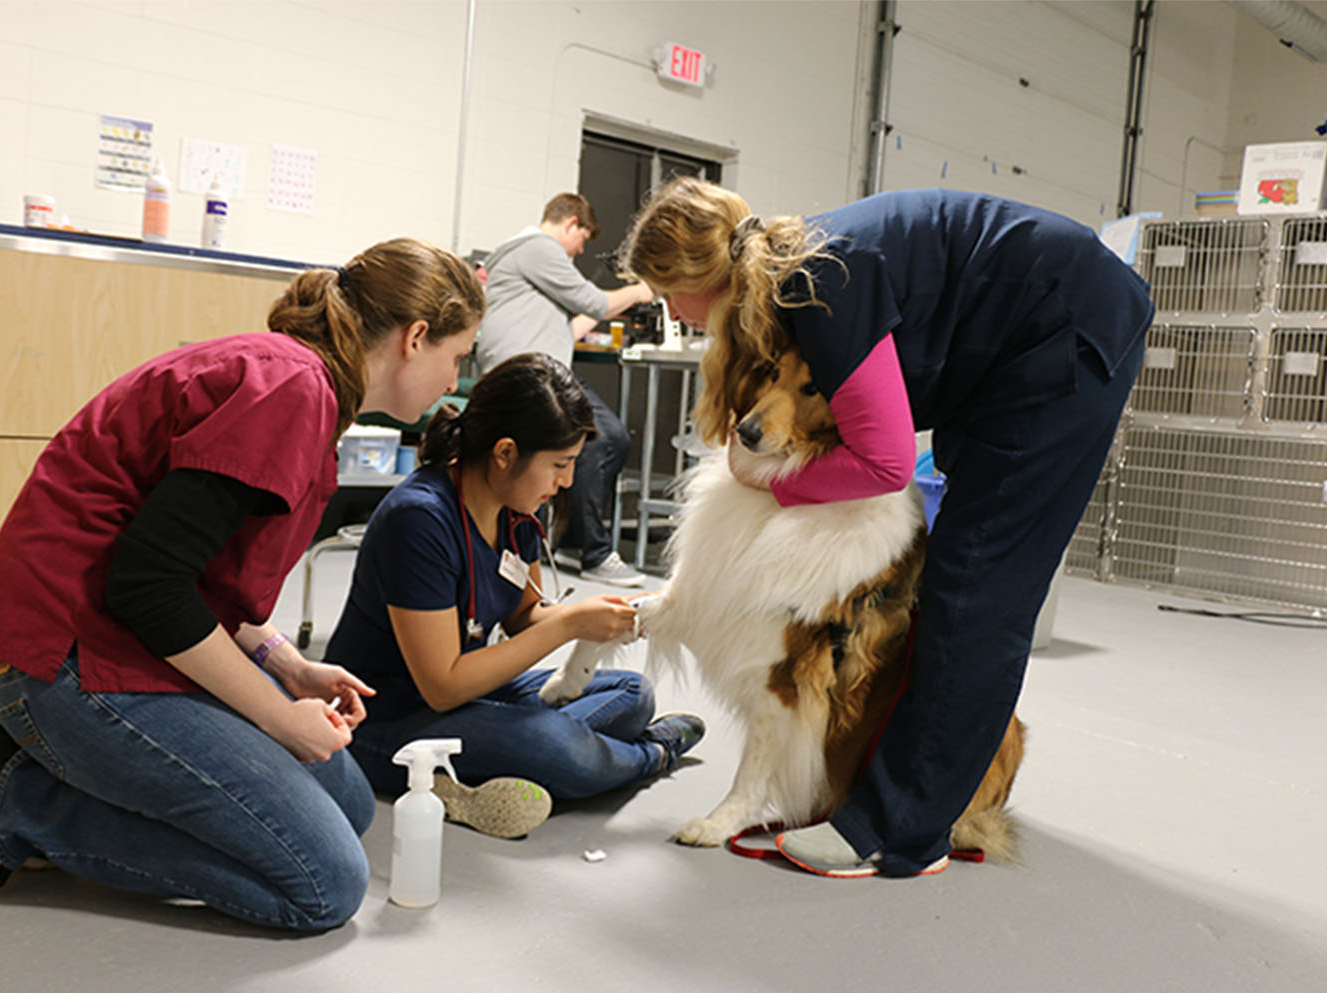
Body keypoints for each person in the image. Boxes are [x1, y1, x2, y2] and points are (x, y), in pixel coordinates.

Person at [0, 238, 485, 931]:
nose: (452, 381)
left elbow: (201, 573)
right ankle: (14, 798)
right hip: (63, 658)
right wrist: (276, 717)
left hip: (124, 638)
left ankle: (61, 773)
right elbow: (150, 587)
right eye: (456, 357)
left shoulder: (306, 389)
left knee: (349, 806)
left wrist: (288, 667)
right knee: (322, 887)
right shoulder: (293, 390)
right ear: (416, 338)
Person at [621, 179, 1153, 878]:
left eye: (665, 297)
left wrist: (773, 482)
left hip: (1065, 334)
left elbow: (883, 462)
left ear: (695, 278)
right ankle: (907, 789)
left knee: (976, 588)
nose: (672, 313)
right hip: (1015, 344)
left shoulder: (817, 286)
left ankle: (898, 830)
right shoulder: (790, 276)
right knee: (955, 581)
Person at [323, 353, 704, 836]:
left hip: (469, 698)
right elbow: (443, 686)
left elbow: (526, 615)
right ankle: (650, 754)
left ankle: (506, 765)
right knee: (553, 747)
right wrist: (570, 625)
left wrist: (595, 616)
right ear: (505, 452)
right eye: (560, 464)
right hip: (387, 719)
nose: (566, 481)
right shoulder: (418, 519)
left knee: (633, 693)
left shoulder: (517, 510)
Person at [475, 193, 655, 587]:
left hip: (539, 370)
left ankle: (577, 542)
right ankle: (591, 551)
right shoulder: (537, 248)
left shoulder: (519, 261)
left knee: (603, 439)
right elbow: (593, 300)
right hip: (533, 378)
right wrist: (643, 291)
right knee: (605, 437)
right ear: (571, 223)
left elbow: (570, 323)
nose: (581, 250)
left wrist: (603, 308)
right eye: (583, 239)